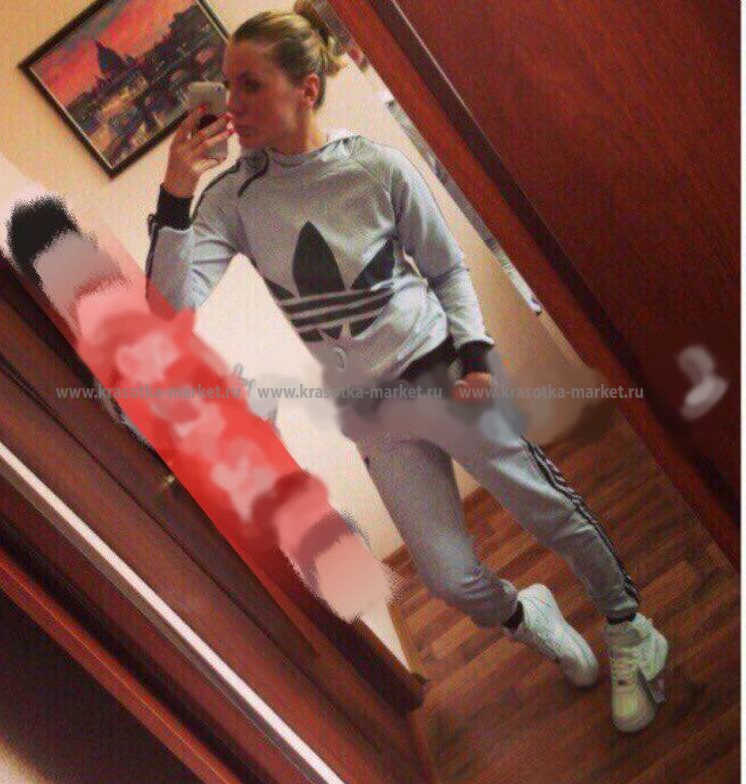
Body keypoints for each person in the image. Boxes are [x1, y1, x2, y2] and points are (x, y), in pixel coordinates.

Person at [144, 1, 668, 733]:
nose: (232, 103)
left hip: (441, 373)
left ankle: (629, 627)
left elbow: (447, 268)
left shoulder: (376, 167)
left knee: (551, 512)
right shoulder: (231, 200)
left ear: (307, 89)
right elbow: (168, 310)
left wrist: (475, 356)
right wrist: (175, 192)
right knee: (449, 578)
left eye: (250, 84)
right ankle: (533, 618)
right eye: (227, 85)